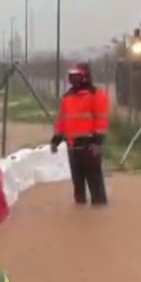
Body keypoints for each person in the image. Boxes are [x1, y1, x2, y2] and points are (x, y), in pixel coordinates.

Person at [50, 63, 109, 207]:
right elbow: (62, 121)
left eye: (75, 76)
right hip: (73, 147)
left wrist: (97, 142)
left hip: (90, 146)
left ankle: (99, 209)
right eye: (71, 76)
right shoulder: (66, 98)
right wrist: (56, 140)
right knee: (77, 184)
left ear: (84, 77)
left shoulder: (96, 95)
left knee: (95, 183)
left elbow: (101, 121)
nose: (72, 79)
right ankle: (80, 208)